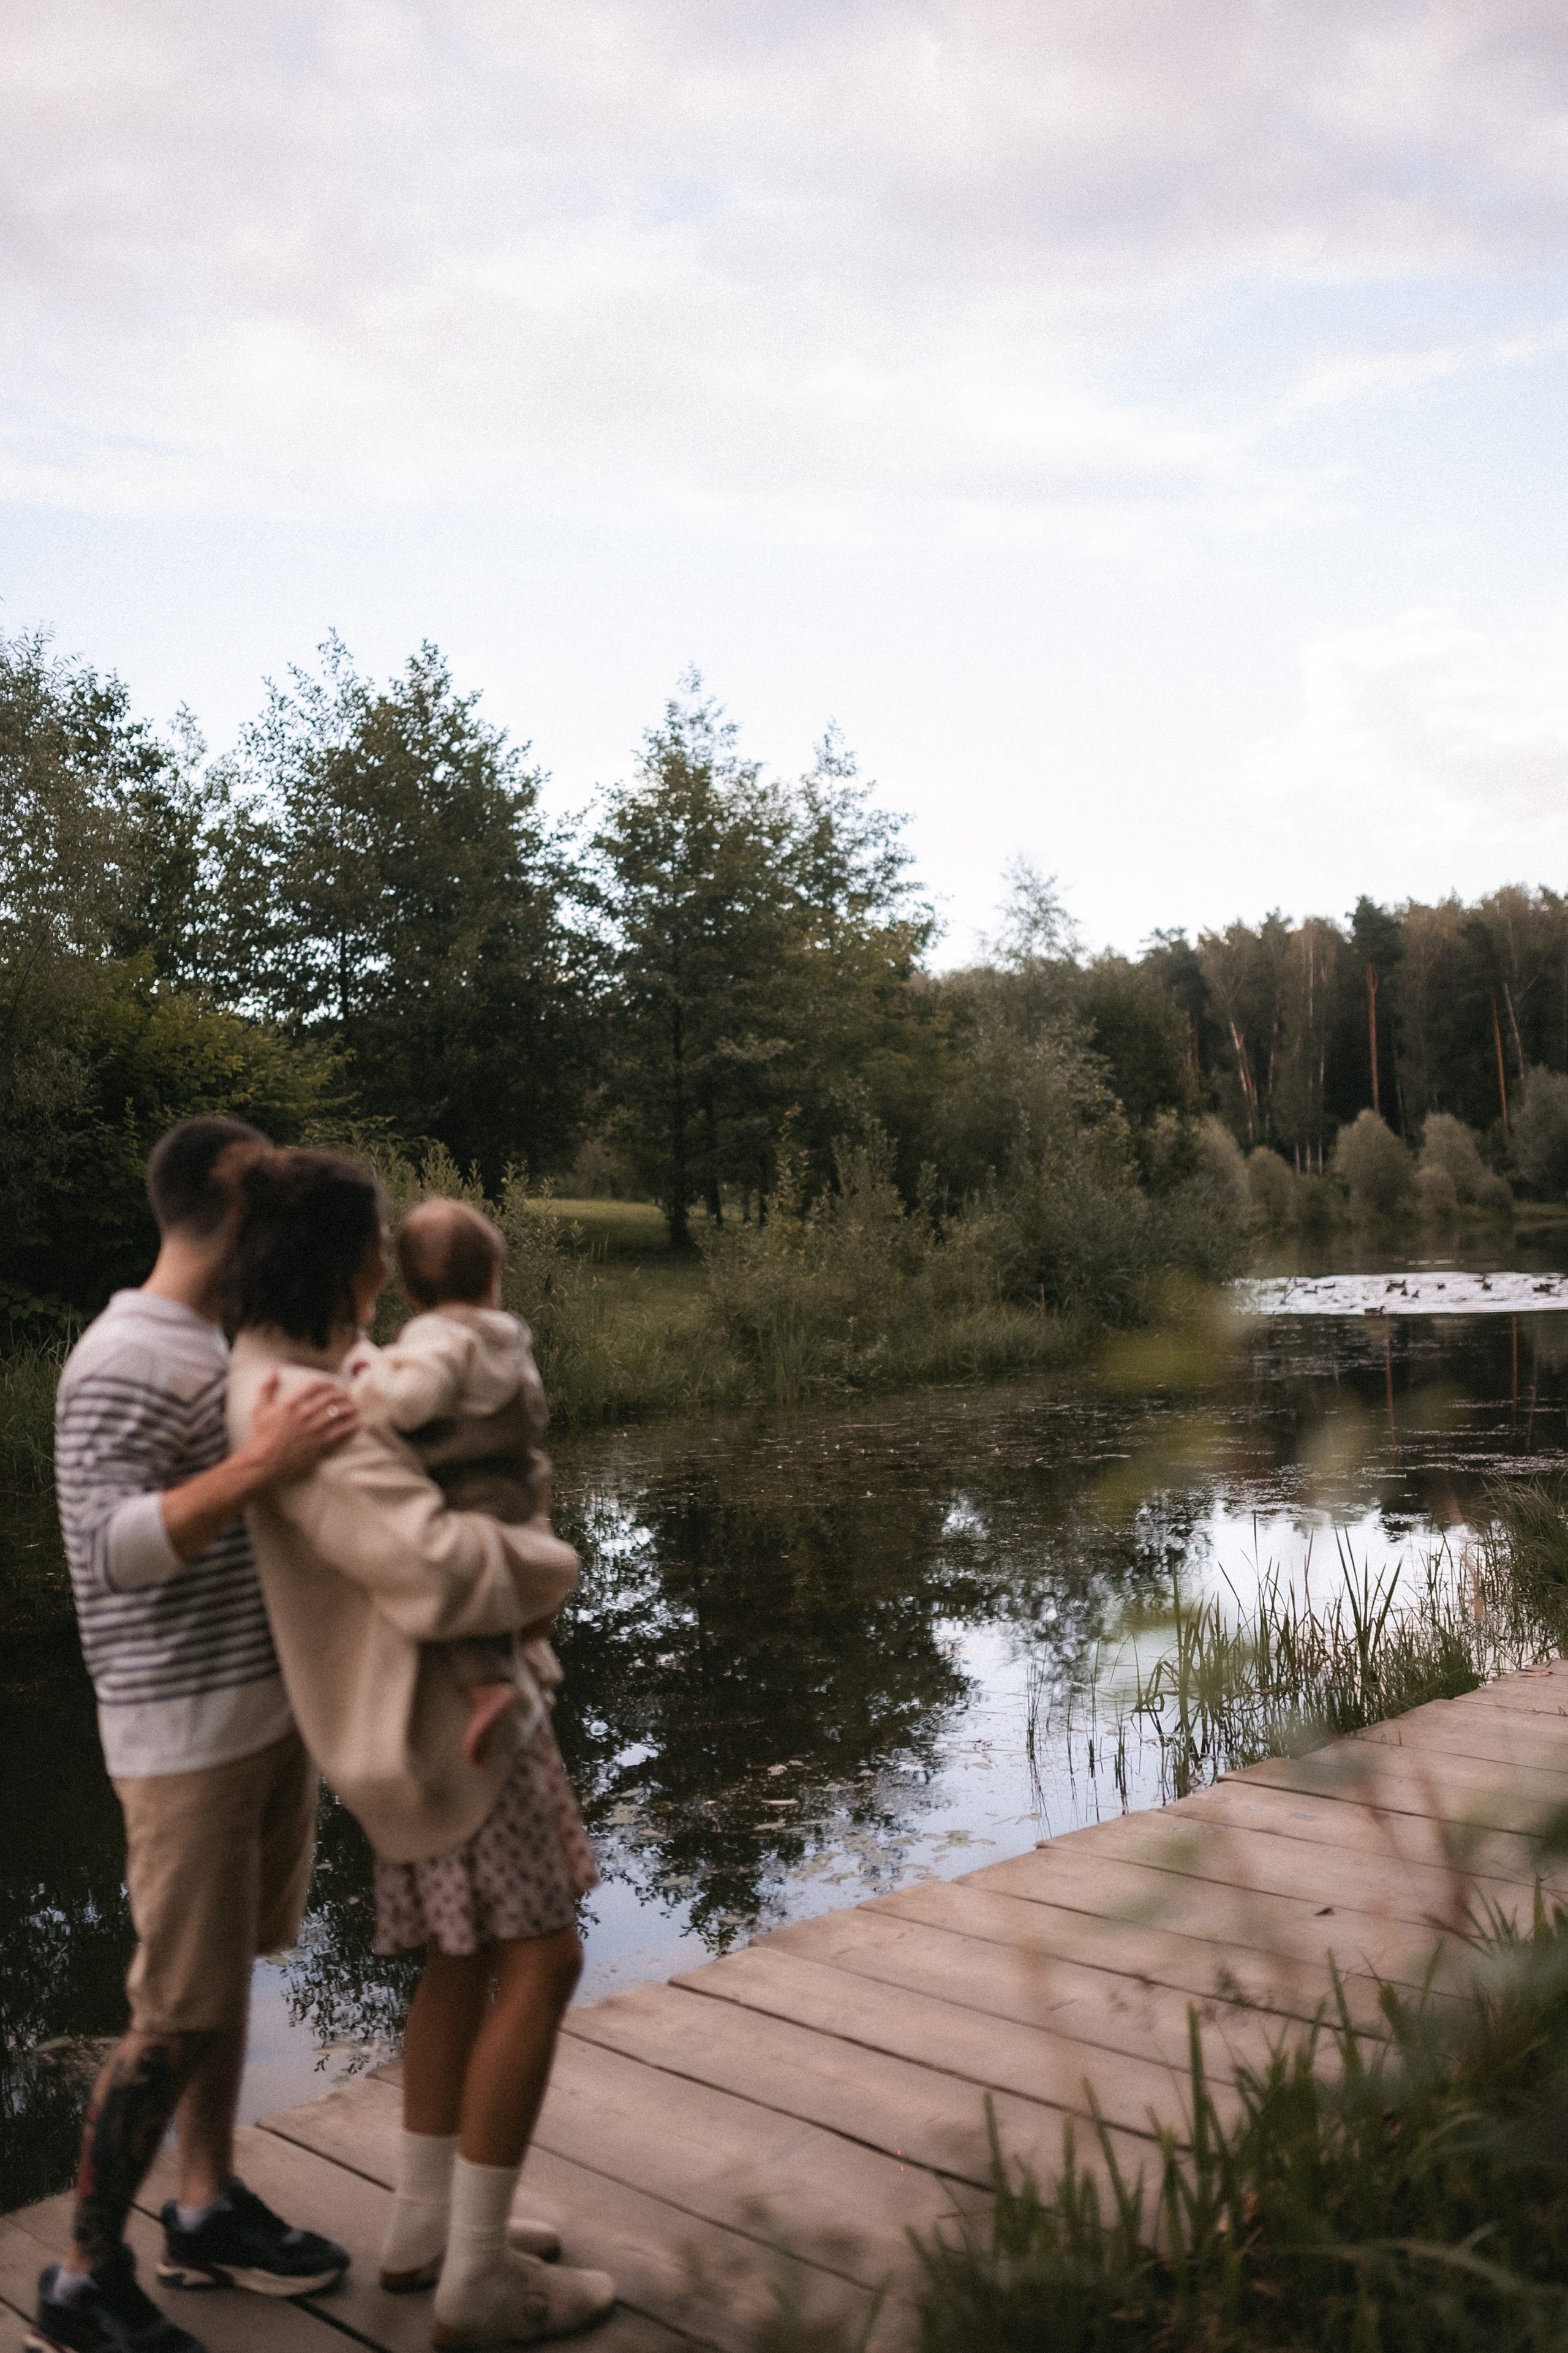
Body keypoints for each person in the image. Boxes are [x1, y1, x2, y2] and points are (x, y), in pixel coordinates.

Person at [225, 1150, 616, 2348]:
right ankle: (480, 2284)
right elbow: (438, 1572)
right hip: (447, 1727)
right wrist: (558, 1564)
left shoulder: (295, 1370)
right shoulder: (304, 1406)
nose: (386, 1260)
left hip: (417, 1727)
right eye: (374, 1241)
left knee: (459, 1963)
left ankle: (428, 2226)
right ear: (341, 1257)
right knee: (539, 1964)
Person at [34, 1118, 362, 2353]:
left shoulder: (212, 1345)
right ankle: (79, 2272)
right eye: (271, 1193)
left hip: (261, 1722)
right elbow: (112, 1553)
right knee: (172, 2010)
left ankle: (205, 2201)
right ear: (230, 1201)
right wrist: (264, 1461)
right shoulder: (121, 1355)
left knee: (223, 1982)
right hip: (181, 1742)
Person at [350, 1195, 560, 1768]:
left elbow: (412, 1400)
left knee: (466, 1576)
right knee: (512, 1568)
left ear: (410, 1292)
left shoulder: (440, 1337)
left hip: (470, 1482)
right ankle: (523, 1646)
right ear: (494, 1274)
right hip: (516, 1478)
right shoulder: (506, 1333)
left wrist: (362, 1391)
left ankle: (485, 1684)